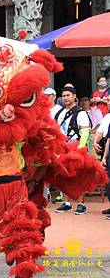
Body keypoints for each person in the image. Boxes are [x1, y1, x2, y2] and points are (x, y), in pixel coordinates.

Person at [54, 86, 91, 215]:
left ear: (74, 96)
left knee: (79, 176)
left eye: (68, 95)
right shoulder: (59, 113)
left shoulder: (81, 113)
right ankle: (67, 203)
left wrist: (80, 148)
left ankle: (81, 204)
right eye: (63, 96)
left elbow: (85, 131)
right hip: (62, 147)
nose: (65, 98)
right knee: (64, 175)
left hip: (76, 146)